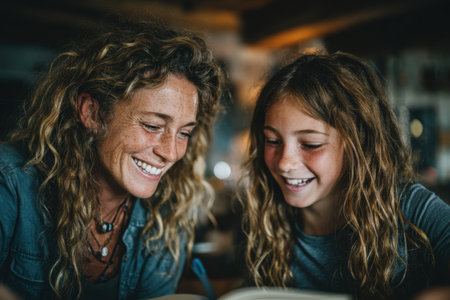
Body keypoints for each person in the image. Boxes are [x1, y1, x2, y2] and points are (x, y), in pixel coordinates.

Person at [0, 20, 223, 300]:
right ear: (92, 113)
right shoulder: (10, 184)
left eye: (184, 133)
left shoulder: (167, 211)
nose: (170, 152)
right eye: (153, 126)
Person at [238, 52, 449, 300]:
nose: (285, 162)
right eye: (272, 141)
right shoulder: (263, 220)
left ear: (358, 144)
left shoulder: (414, 211)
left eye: (311, 144)